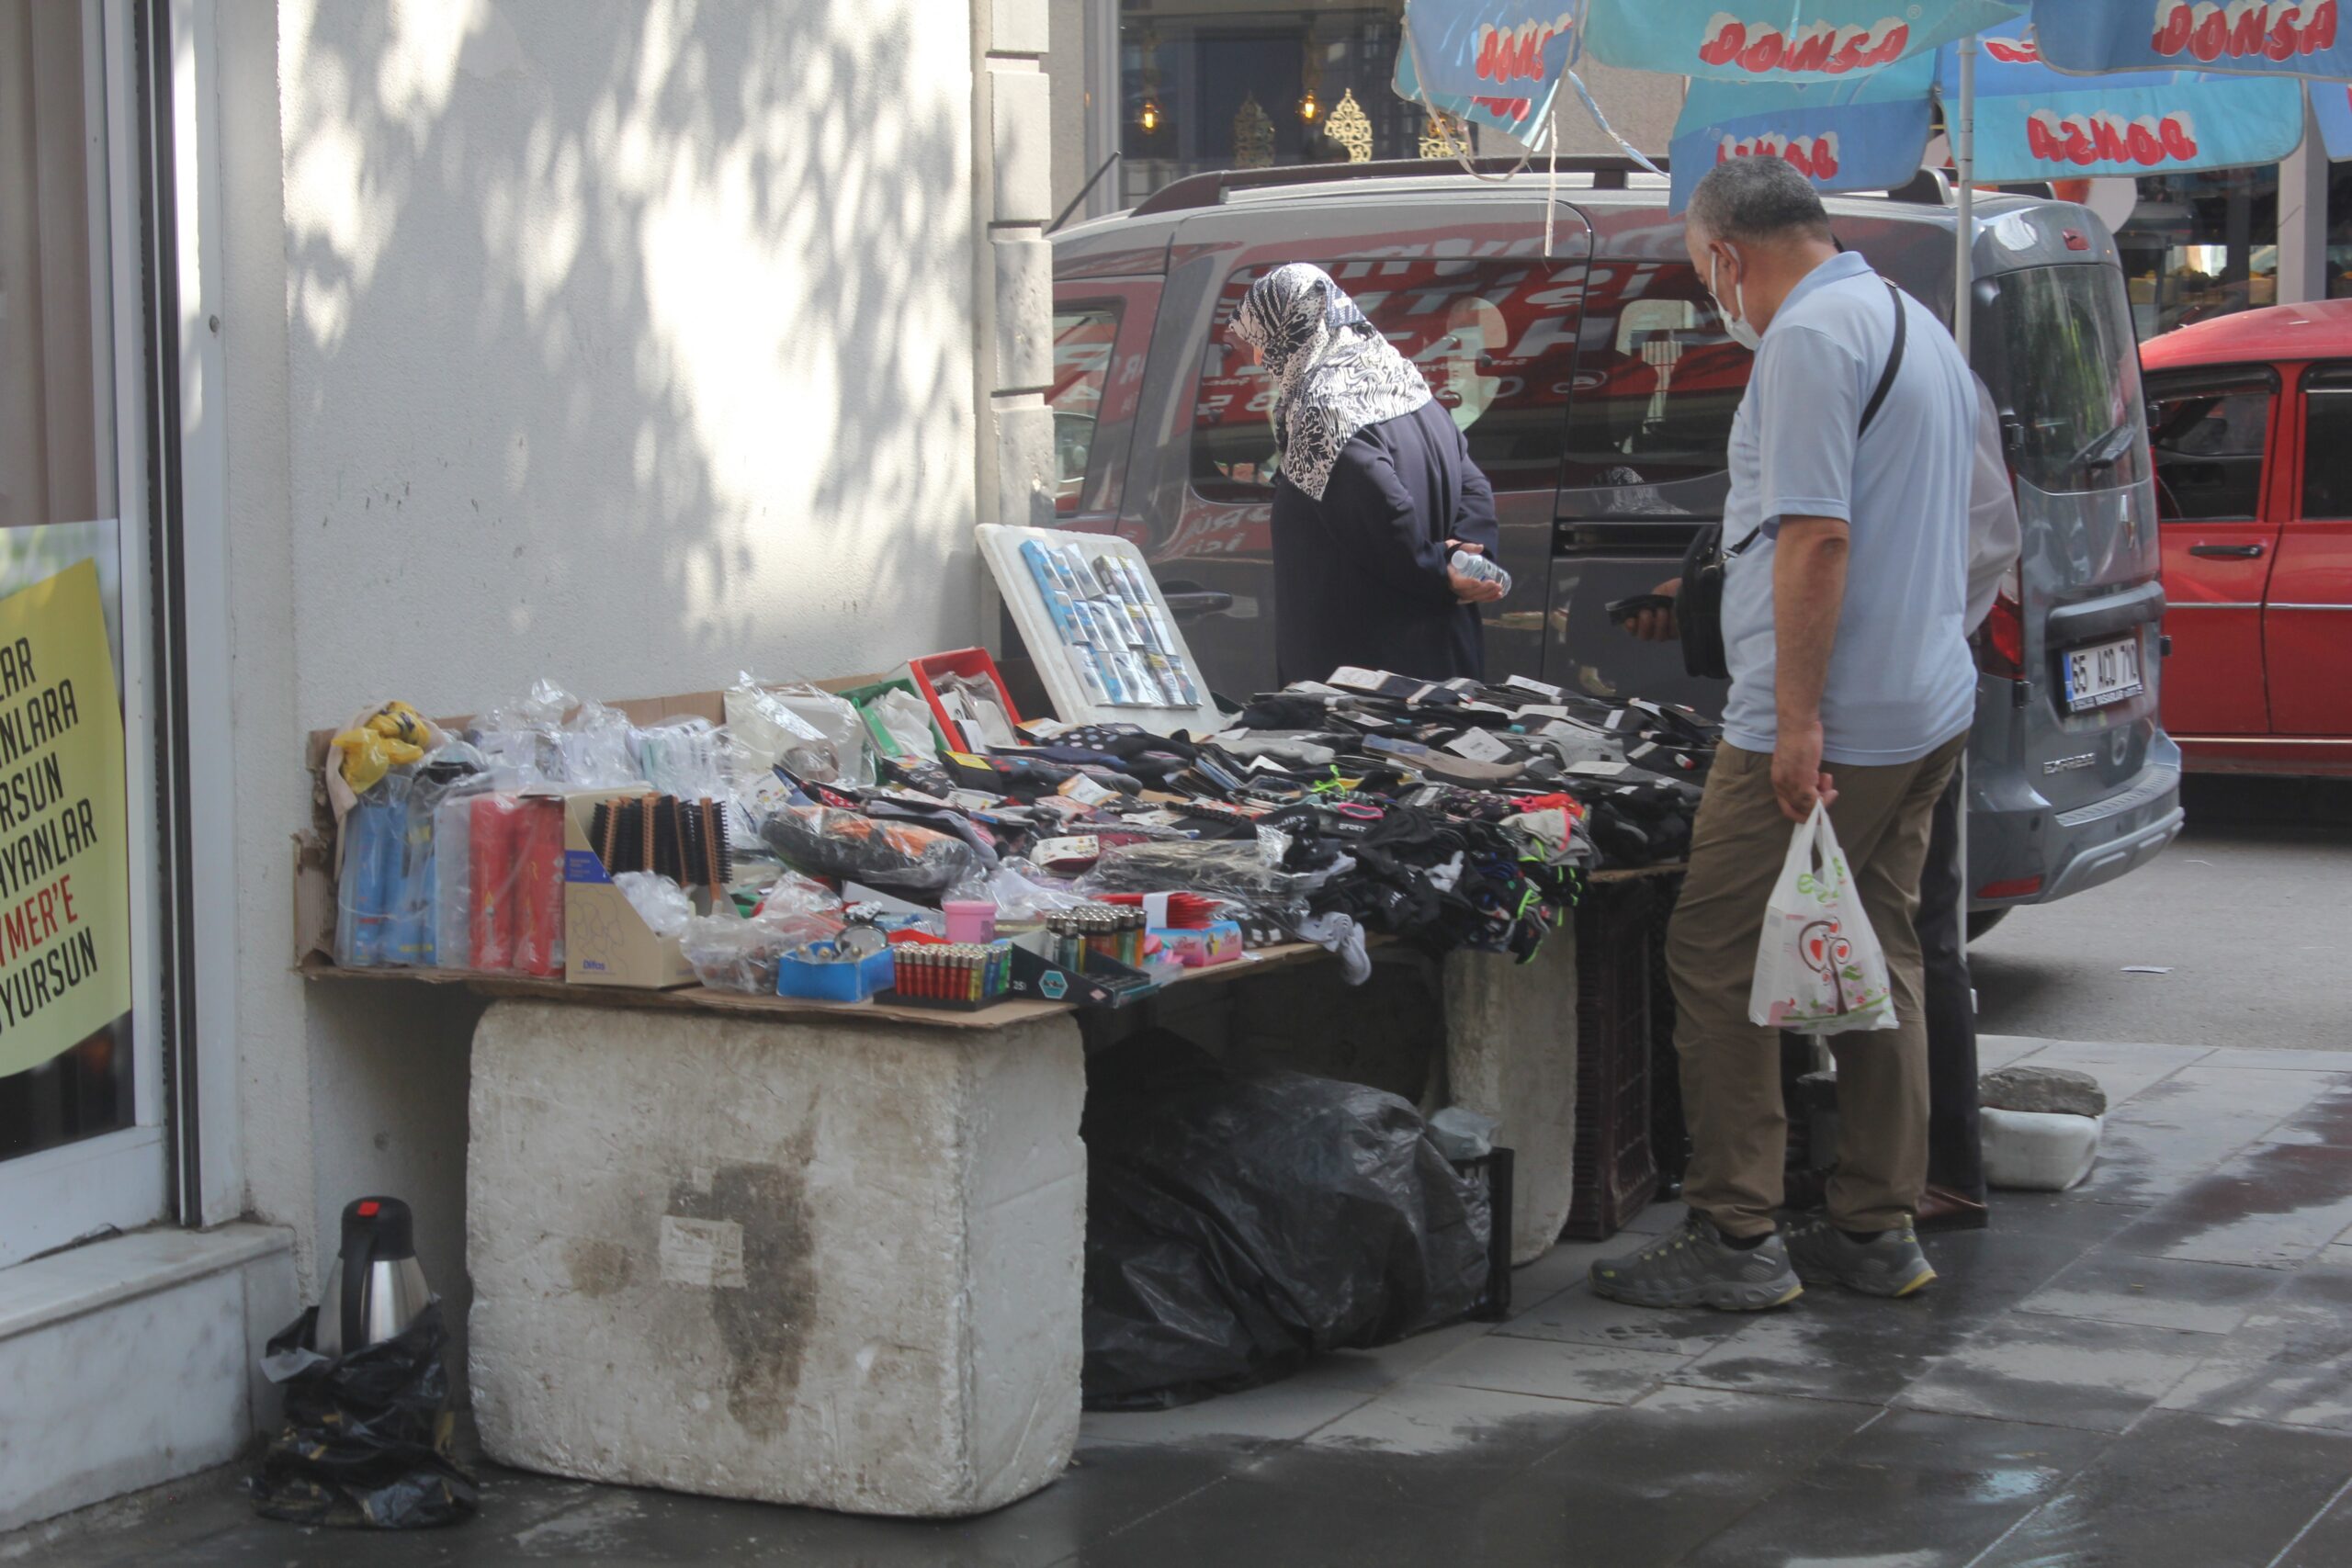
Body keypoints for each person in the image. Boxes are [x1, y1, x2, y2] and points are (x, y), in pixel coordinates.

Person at [1591, 156, 1980, 1312]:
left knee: (1713, 953)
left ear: (1727, 256)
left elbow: (1820, 540)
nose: (1716, 298)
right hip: (1924, 700)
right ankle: (1872, 1225)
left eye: (1703, 274)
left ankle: (1736, 1236)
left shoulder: (1810, 342)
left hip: (1838, 721)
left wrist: (1796, 723)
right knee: (1878, 956)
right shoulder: (1908, 320)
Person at [1229, 264, 1504, 686]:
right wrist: (1471, 561)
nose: (1258, 356)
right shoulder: (1402, 384)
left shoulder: (1326, 410)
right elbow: (1473, 485)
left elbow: (1380, 513)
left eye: (1264, 340)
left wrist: (1439, 568)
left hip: (1368, 678)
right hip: (1438, 651)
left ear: (1296, 330)